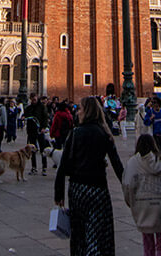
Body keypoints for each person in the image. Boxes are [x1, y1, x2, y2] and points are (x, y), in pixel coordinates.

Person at [55, 96, 125, 256]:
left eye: (80, 108)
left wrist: (58, 193)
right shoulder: (104, 133)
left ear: (86, 111)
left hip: (78, 190)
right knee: (98, 232)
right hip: (98, 189)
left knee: (79, 234)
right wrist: (128, 187)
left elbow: (63, 165)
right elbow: (117, 164)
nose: (77, 112)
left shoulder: (75, 133)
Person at [123, 134, 161, 256]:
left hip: (143, 207)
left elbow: (128, 185)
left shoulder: (133, 163)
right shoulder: (160, 160)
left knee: (148, 243)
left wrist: (131, 202)